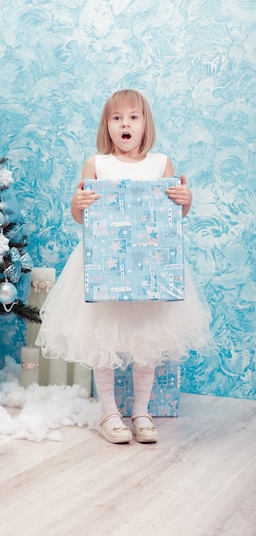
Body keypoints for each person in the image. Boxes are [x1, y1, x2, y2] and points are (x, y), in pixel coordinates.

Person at [36, 89, 214, 444]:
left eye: (133, 117)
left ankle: (141, 411)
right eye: (117, 118)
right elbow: (80, 216)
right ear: (107, 126)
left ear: (145, 124)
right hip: (103, 262)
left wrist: (185, 200)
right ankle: (109, 412)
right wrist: (78, 203)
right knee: (104, 335)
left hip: (150, 264)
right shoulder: (96, 164)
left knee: (146, 338)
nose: (125, 124)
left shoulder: (160, 163)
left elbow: (172, 214)